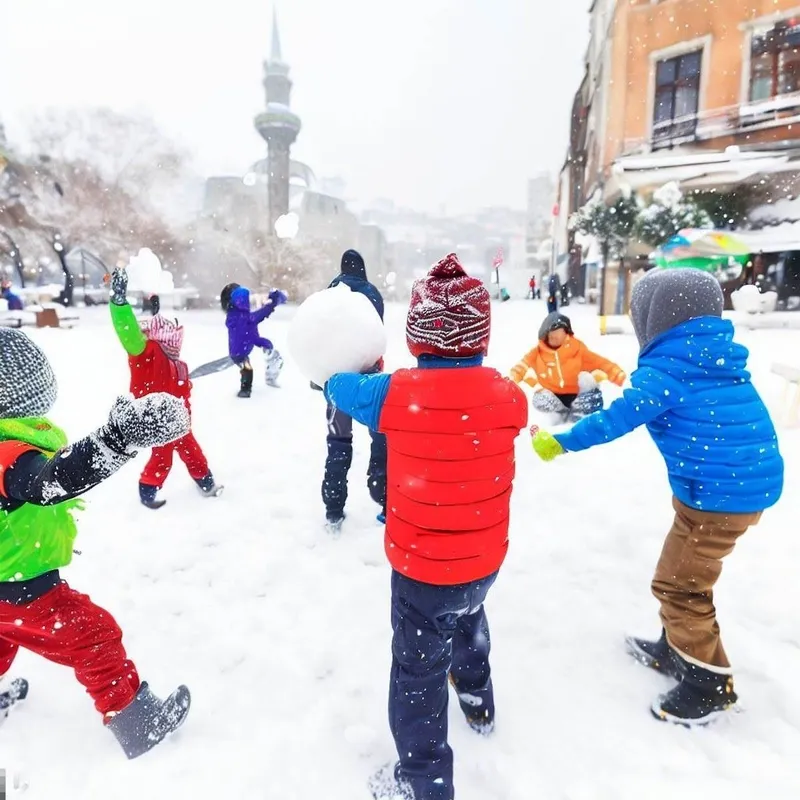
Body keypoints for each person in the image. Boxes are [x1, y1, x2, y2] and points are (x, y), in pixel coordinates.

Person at [531, 268, 784, 726]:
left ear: (655, 318)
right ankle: (678, 650)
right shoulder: (714, 357)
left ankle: (709, 685)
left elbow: (616, 419)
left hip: (719, 498)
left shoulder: (669, 369)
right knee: (678, 573)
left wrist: (562, 441)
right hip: (727, 487)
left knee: (680, 586)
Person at [325, 253, 528, 800]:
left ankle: (423, 781)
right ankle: (478, 701)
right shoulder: (507, 396)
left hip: (420, 569)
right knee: (467, 620)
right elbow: (517, 410)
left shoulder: (393, 393)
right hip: (482, 560)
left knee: (417, 676)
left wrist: (346, 373)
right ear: (480, 336)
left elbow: (339, 387)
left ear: (418, 337)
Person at [0, 327, 192, 758]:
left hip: (4, 586)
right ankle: (137, 722)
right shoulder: (7, 454)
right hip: (23, 590)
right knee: (95, 636)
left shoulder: (11, 443)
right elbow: (50, 480)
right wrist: (118, 438)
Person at [109, 268, 222, 509]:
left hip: (179, 419)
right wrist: (119, 305)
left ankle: (206, 482)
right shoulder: (145, 352)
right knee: (162, 457)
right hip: (156, 418)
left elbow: (183, 390)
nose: (176, 334)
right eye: (170, 330)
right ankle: (147, 490)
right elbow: (127, 331)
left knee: (192, 452)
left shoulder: (176, 361)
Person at [318, 249, 387, 532]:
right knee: (380, 437)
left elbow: (320, 333)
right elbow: (377, 334)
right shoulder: (372, 294)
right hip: (370, 379)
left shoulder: (331, 293)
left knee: (338, 443)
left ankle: (334, 507)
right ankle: (384, 498)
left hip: (338, 381)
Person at [510, 312, 626, 421]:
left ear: (566, 334)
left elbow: (600, 362)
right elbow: (522, 365)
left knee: (586, 378)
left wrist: (616, 374)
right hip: (555, 397)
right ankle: (560, 413)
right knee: (539, 398)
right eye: (552, 334)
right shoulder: (537, 353)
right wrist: (512, 379)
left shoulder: (577, 349)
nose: (555, 337)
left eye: (559, 333)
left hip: (578, 395)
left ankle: (581, 413)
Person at [225, 284, 287, 397]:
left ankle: (246, 388)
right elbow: (258, 317)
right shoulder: (244, 318)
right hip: (240, 352)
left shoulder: (236, 315)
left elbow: (254, 321)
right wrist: (272, 304)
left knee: (247, 367)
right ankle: (245, 390)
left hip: (239, 350)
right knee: (247, 370)